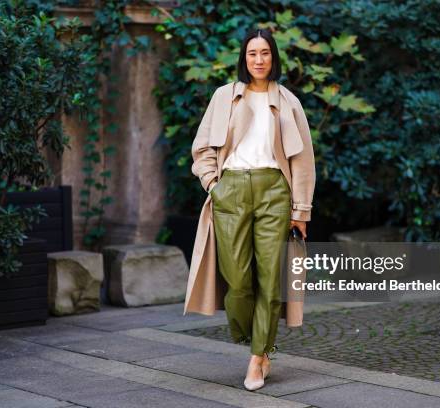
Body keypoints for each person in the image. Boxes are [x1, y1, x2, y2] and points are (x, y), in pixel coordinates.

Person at [188, 28, 316, 391]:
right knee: (239, 281)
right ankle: (251, 337)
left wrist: (300, 212)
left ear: (273, 57)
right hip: (230, 191)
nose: (259, 60)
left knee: (270, 283)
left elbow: (304, 161)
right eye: (252, 54)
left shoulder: (288, 101)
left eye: (265, 53)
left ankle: (258, 357)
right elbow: (201, 148)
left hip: (275, 191)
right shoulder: (223, 97)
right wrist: (213, 184)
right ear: (244, 59)